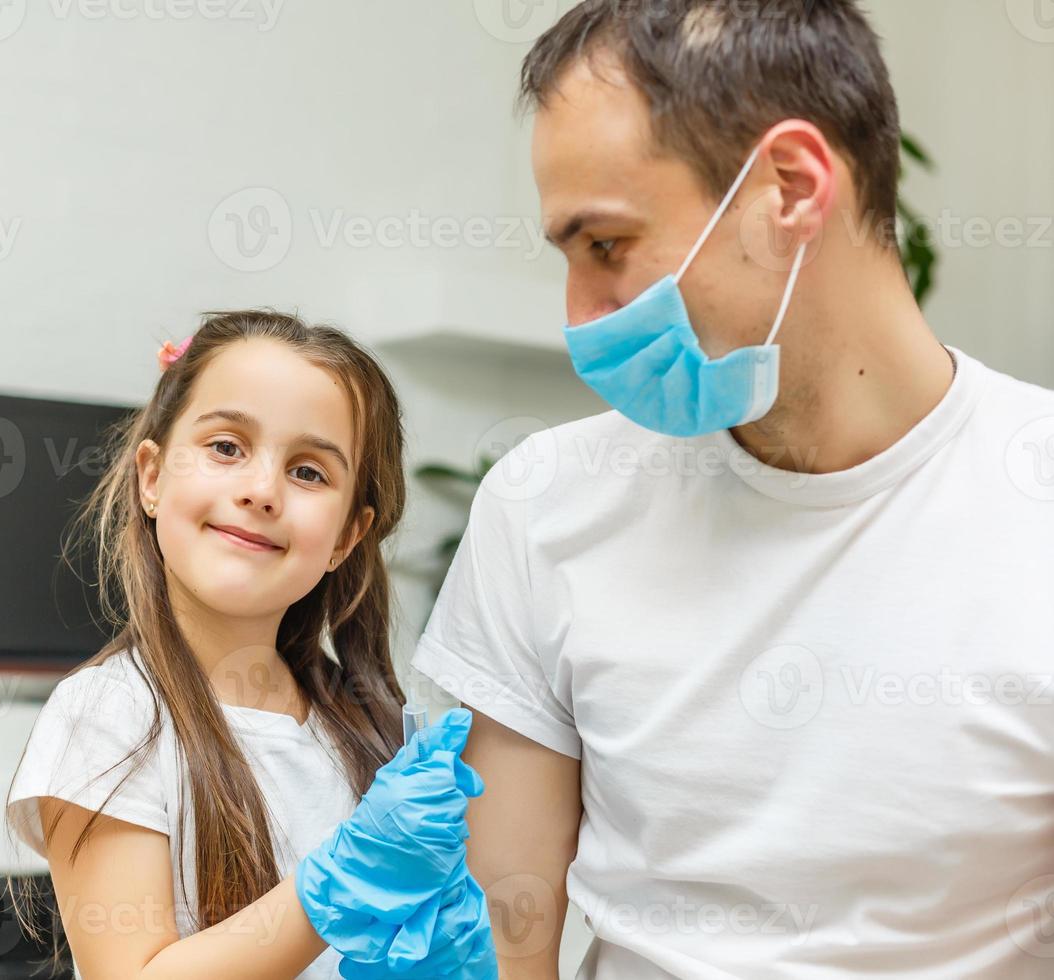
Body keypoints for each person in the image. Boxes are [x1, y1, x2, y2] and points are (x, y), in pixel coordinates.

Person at [412, 2, 1054, 977]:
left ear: (789, 188)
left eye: (606, 245)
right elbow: (502, 936)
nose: (581, 318)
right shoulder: (545, 504)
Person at [5, 310, 497, 978]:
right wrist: (337, 887)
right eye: (226, 448)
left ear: (348, 537)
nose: (262, 491)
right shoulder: (110, 715)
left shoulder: (362, 724)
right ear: (152, 477)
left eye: (308, 472)